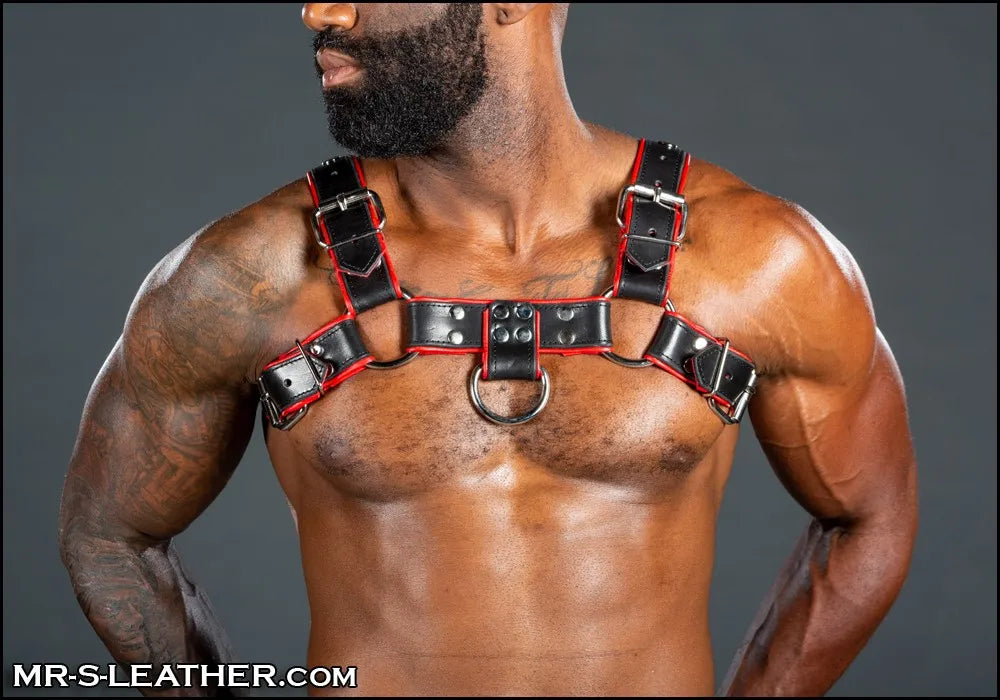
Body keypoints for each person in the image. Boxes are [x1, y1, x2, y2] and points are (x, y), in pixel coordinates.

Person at [58, 3, 918, 696]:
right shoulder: (251, 274)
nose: (321, 12)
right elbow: (107, 535)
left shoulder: (757, 259)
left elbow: (871, 512)